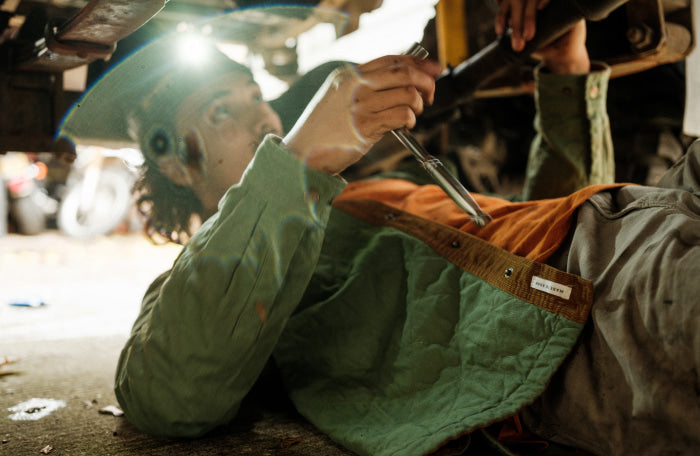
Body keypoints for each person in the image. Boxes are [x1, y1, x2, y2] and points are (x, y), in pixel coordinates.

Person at [59, 2, 699, 456]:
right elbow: (167, 397)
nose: (263, 117)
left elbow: (523, 235)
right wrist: (299, 161)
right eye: (221, 111)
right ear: (173, 159)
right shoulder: (204, 288)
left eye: (254, 94)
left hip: (641, 215)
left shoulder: (362, 191)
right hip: (617, 308)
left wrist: (565, 69)